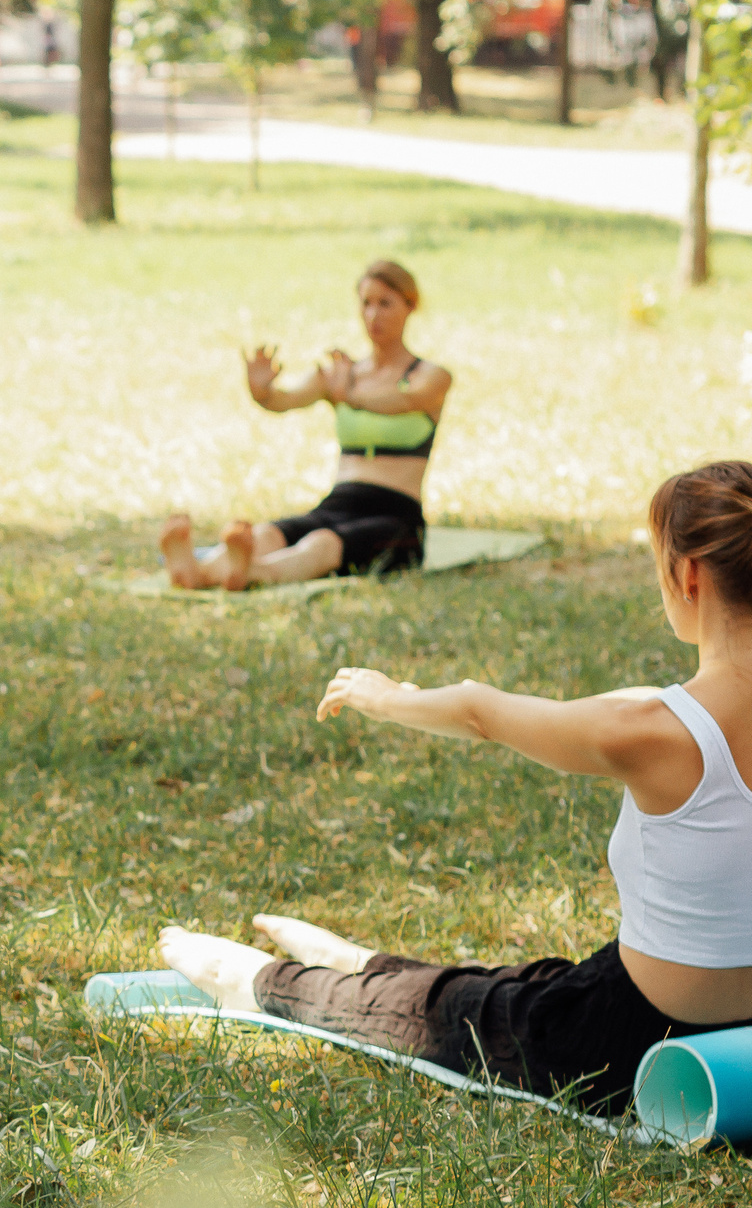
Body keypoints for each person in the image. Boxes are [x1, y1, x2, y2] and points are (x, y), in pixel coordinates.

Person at [159, 459, 752, 1113]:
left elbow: (482, 710)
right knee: (537, 982)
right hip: (725, 1025)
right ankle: (367, 961)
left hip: (630, 1038)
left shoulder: (647, 731)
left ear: (688, 575)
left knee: (450, 1015)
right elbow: (589, 707)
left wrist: (384, 698)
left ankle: (258, 980)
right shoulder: (647, 720)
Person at [162, 258, 453, 591]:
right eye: (366, 304)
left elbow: (407, 401)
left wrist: (350, 396)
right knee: (268, 534)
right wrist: (261, 392)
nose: (374, 315)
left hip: (396, 517)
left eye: (385, 304)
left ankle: (254, 572)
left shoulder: (430, 376)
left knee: (323, 544)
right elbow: (284, 400)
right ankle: (196, 572)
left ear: (410, 306)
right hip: (338, 503)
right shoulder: (343, 373)